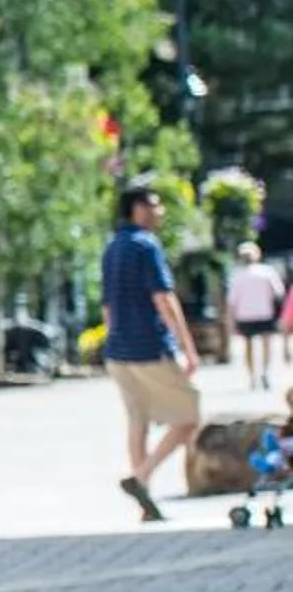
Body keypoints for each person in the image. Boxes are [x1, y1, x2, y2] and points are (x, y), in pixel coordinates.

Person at [103, 184, 199, 522]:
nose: (160, 212)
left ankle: (145, 502)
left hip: (118, 350)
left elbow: (107, 307)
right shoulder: (146, 245)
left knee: (137, 421)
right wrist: (188, 347)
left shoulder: (112, 247)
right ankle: (141, 477)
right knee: (189, 416)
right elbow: (164, 299)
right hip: (148, 346)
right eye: (155, 205)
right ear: (138, 209)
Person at [225, 243, 283, 390]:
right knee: (266, 344)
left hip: (245, 314)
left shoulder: (236, 275)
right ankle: (264, 372)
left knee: (248, 346)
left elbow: (232, 301)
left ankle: (252, 376)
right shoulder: (267, 272)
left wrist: (230, 320)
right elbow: (278, 292)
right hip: (264, 312)